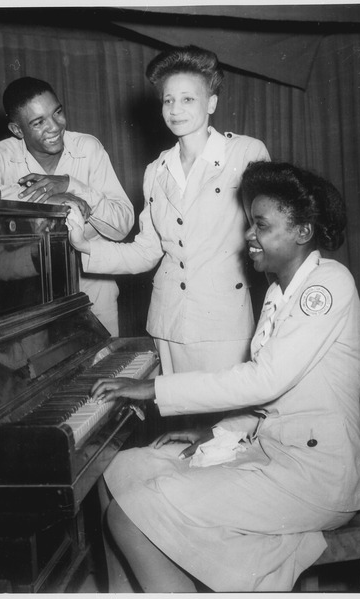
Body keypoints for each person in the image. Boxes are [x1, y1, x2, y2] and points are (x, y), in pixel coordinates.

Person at [82, 161, 360, 592]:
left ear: (302, 232)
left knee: (131, 513)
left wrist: (153, 389)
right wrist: (215, 431)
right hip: (271, 453)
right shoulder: (277, 292)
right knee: (116, 471)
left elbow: (264, 381)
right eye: (249, 224)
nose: (248, 235)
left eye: (260, 225)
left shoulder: (326, 286)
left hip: (316, 477)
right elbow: (277, 403)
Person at [67, 46, 270, 376]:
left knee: (224, 422)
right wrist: (84, 244)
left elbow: (270, 233)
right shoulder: (156, 170)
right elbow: (147, 251)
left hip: (224, 324)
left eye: (188, 99)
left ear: (212, 103)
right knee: (177, 420)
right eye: (168, 100)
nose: (175, 109)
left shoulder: (245, 153)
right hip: (168, 324)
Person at [0, 77, 134, 336]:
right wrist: (47, 199)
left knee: (104, 370)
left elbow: (122, 226)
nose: (55, 127)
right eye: (38, 122)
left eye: (57, 112)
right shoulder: (2, 156)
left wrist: (71, 185)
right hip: (29, 300)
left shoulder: (88, 148)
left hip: (94, 293)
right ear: (17, 130)